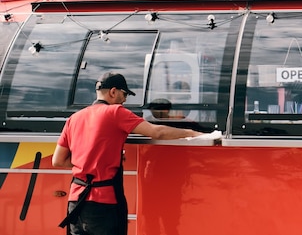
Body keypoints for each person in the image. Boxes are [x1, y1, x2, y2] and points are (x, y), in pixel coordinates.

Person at [52, 72, 204, 235]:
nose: (124, 100)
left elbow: (58, 161)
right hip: (103, 204)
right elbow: (156, 132)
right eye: (124, 95)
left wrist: (92, 161)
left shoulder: (74, 118)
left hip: (76, 204)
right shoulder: (115, 112)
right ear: (113, 91)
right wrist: (194, 133)